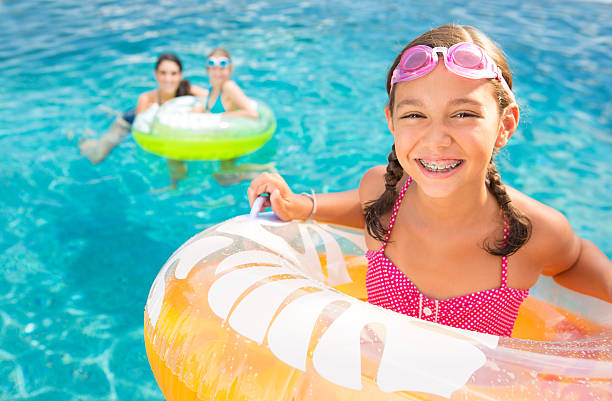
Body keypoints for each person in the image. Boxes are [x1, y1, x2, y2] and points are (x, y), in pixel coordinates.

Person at [247, 24, 611, 336]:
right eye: (416, 114)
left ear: (505, 125)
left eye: (463, 113)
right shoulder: (382, 191)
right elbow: (365, 208)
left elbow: (574, 260)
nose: (437, 139)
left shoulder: (530, 232)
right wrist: (304, 206)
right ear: (391, 121)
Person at [78, 53, 207, 188]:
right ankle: (84, 140)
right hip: (129, 121)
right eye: (163, 73)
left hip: (169, 125)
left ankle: (176, 185)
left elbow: (217, 101)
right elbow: (142, 129)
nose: (168, 79)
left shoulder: (189, 90)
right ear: (156, 74)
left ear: (180, 75)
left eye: (173, 73)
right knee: (97, 157)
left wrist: (200, 108)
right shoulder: (146, 98)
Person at [192, 48, 275, 186]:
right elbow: (210, 110)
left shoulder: (229, 87)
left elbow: (252, 113)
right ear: (208, 70)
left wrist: (223, 116)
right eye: (214, 69)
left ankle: (265, 171)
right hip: (220, 138)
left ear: (230, 69)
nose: (218, 72)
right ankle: (264, 172)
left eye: (222, 69)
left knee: (224, 176)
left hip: (231, 138)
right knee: (224, 173)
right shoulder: (213, 89)